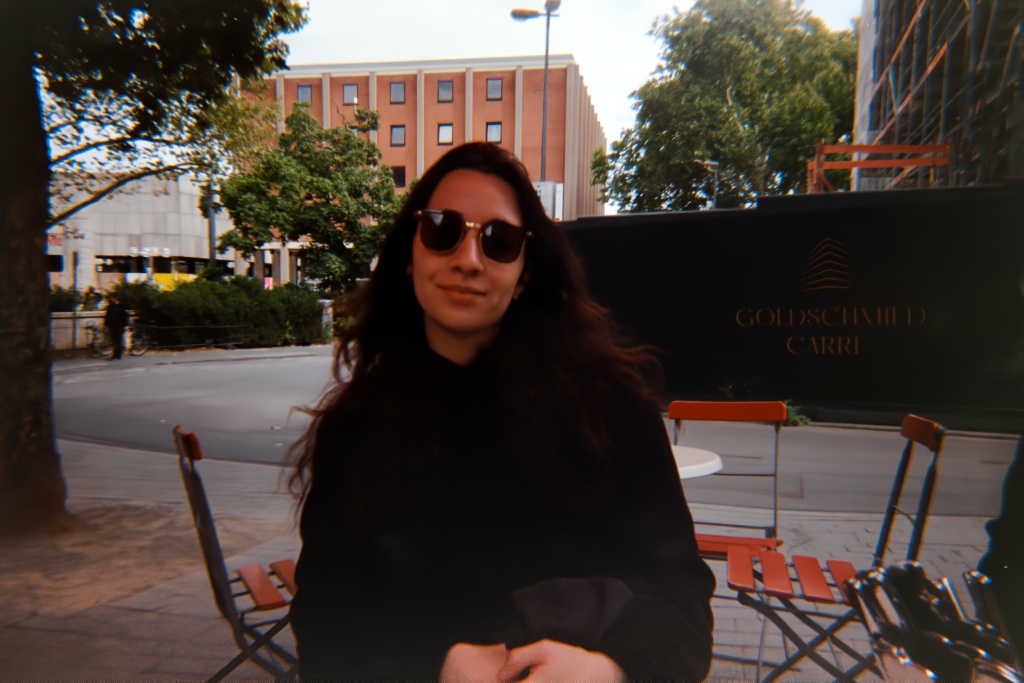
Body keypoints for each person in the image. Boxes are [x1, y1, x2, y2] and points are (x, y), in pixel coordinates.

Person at [288, 142, 715, 681]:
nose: (468, 259)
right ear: (410, 254)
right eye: (442, 229)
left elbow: (680, 593)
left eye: (500, 241)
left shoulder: (611, 410)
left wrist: (610, 670)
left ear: (525, 274)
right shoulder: (357, 428)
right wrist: (433, 664)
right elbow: (324, 613)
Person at [103, 292, 128, 360]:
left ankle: (116, 354)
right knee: (115, 340)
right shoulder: (112, 307)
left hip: (117, 325)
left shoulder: (118, 307)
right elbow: (108, 316)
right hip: (115, 325)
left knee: (117, 340)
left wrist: (126, 325)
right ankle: (117, 354)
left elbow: (124, 316)